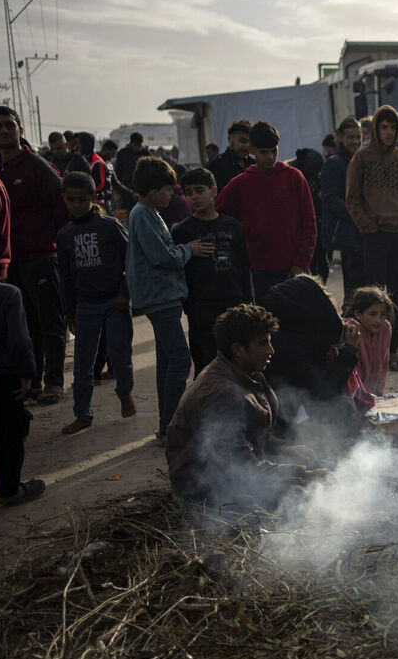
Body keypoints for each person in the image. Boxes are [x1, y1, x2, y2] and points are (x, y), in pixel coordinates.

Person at [165, 303, 326, 510]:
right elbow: (239, 467)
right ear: (238, 349)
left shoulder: (245, 371)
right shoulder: (222, 395)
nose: (271, 350)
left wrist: (285, 449)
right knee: (298, 496)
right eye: (262, 343)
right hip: (204, 488)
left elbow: (252, 437)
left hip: (236, 468)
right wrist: (305, 475)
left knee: (313, 467)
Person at [126, 157, 214, 438]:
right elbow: (161, 256)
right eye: (169, 190)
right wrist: (188, 250)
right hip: (159, 297)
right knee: (179, 359)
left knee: (167, 360)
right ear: (154, 192)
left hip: (163, 296)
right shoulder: (143, 214)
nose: (173, 195)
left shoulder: (149, 212)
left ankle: (167, 426)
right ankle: (174, 427)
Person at [0, 105, 69, 404]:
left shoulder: (37, 166)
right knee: (24, 324)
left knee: (51, 321)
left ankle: (54, 382)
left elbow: (63, 206)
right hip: (8, 261)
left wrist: (60, 247)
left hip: (41, 256)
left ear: (19, 130)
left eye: (8, 125)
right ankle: (32, 380)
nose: (3, 131)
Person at [55, 172, 136, 434]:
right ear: (64, 199)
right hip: (85, 305)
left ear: (93, 198)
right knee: (83, 362)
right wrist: (69, 310)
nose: (77, 205)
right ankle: (83, 413)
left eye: (82, 200)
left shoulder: (110, 227)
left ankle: (124, 392)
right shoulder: (65, 235)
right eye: (71, 200)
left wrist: (125, 293)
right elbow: (66, 278)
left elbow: (131, 263)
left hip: (115, 302)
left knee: (119, 354)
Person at [344, 104, 398, 363]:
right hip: (374, 236)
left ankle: (391, 351)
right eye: (384, 127)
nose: (389, 132)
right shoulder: (362, 158)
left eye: (393, 127)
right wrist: (368, 228)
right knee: (373, 296)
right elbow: (352, 199)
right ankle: (370, 352)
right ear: (376, 128)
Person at [215, 120, 318, 302]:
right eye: (264, 152)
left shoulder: (294, 177)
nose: (270, 156)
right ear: (251, 149)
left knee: (298, 324)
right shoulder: (241, 183)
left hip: (294, 268)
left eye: (274, 150)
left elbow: (309, 223)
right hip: (258, 270)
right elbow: (215, 214)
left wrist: (301, 263)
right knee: (268, 324)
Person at [171, 167, 252, 376]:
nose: (194, 197)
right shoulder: (182, 230)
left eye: (199, 190)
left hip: (233, 304)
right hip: (201, 309)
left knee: (238, 363)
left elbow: (244, 267)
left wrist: (247, 301)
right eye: (188, 192)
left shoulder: (233, 226)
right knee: (205, 365)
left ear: (214, 190)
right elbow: (179, 272)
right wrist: (189, 306)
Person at [257, 274, 362, 432]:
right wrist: (349, 350)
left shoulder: (287, 331)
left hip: (284, 407)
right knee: (343, 407)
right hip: (280, 419)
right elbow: (325, 391)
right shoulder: (290, 347)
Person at [0, 272, 45, 506]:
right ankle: (9, 490)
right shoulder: (8, 294)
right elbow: (20, 341)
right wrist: (28, 373)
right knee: (9, 433)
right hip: (3, 377)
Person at [321, 116, 365, 301]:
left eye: (358, 137)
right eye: (350, 137)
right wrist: (358, 216)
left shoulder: (363, 160)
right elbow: (331, 199)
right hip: (348, 233)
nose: (355, 141)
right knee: (354, 288)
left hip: (365, 232)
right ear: (339, 137)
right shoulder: (333, 163)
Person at [343, 286, 393, 396]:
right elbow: (352, 370)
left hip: (375, 391)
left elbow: (383, 364)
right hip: (353, 394)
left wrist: (379, 394)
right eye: (372, 314)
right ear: (358, 314)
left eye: (383, 314)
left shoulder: (385, 328)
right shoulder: (351, 330)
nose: (378, 320)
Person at [289, 147, 328, 282]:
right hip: (300, 229)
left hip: (315, 226)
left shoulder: (313, 174)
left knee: (322, 266)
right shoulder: (293, 176)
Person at [206, 120, 254, 191]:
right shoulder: (216, 167)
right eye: (242, 141)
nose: (246, 146)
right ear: (229, 138)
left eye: (249, 142)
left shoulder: (254, 165)